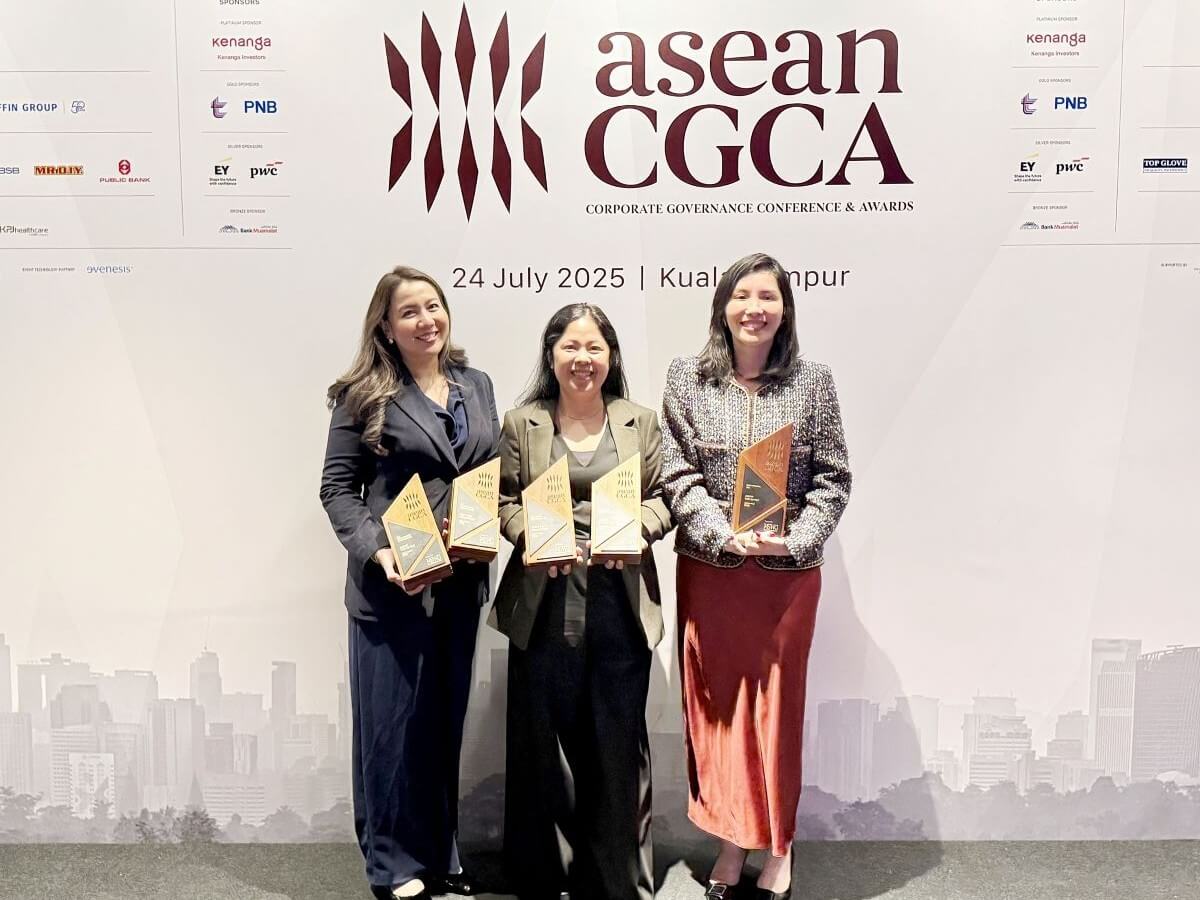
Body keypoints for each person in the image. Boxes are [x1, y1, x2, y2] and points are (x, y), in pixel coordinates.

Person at [659, 252, 851, 900]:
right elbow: (676, 474)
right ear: (723, 307)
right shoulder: (687, 378)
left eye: (767, 297)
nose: (754, 308)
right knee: (718, 715)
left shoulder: (812, 381)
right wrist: (721, 533)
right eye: (742, 295)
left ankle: (781, 848)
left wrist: (796, 541)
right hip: (711, 572)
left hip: (784, 579)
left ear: (784, 310)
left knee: (775, 715)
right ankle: (732, 841)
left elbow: (832, 477)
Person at [320, 266, 500, 900]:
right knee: (389, 728)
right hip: (391, 586)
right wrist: (379, 553)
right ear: (386, 328)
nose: (427, 320)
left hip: (461, 581)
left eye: (435, 306)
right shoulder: (361, 395)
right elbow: (337, 492)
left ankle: (439, 850)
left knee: (441, 722)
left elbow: (485, 470)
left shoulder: (476, 385)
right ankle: (391, 864)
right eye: (410, 313)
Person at [489, 302, 673, 900]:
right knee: (543, 741)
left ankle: (617, 877)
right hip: (543, 600)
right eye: (570, 347)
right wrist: (532, 537)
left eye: (594, 348)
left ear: (611, 357)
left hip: (619, 602)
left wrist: (639, 529)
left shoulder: (640, 422)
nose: (582, 359)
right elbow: (502, 501)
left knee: (617, 740)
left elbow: (664, 497)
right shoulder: (523, 423)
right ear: (551, 356)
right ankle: (544, 875)